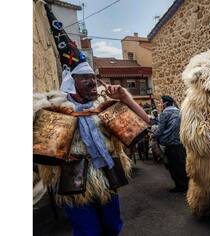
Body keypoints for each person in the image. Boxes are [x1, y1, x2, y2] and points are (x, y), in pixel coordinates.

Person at [37, 7, 151, 235]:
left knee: (112, 227)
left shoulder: (103, 105)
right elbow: (41, 150)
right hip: (73, 180)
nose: (92, 83)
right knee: (88, 231)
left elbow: (145, 122)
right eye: (85, 79)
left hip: (107, 175)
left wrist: (125, 98)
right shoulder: (55, 110)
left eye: (92, 77)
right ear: (71, 82)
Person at [153, 95, 189, 192]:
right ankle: (186, 184)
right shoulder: (180, 112)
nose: (160, 104)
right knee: (182, 165)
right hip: (181, 143)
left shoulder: (164, 114)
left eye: (161, 102)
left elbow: (160, 130)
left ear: (164, 103)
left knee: (173, 167)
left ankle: (180, 186)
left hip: (170, 144)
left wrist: (154, 134)